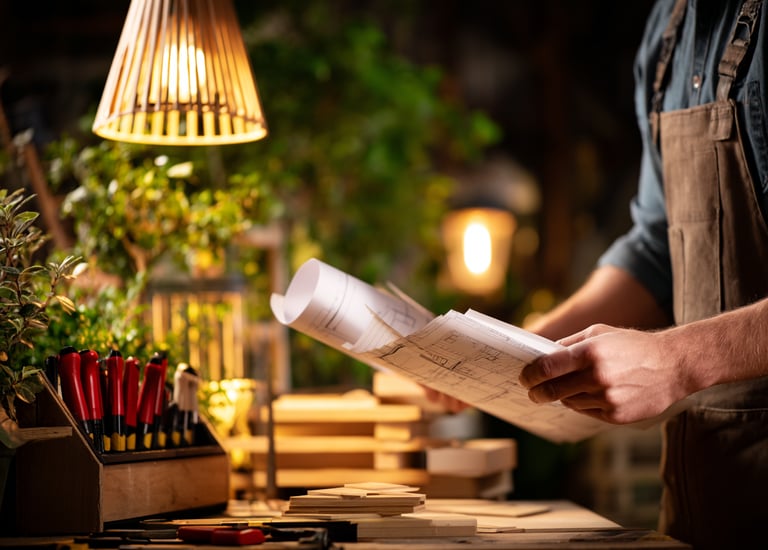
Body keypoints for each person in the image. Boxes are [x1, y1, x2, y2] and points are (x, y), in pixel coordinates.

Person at [433, 1, 768, 548]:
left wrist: (679, 360)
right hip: (706, 496)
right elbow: (659, 249)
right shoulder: (667, 22)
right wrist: (517, 351)